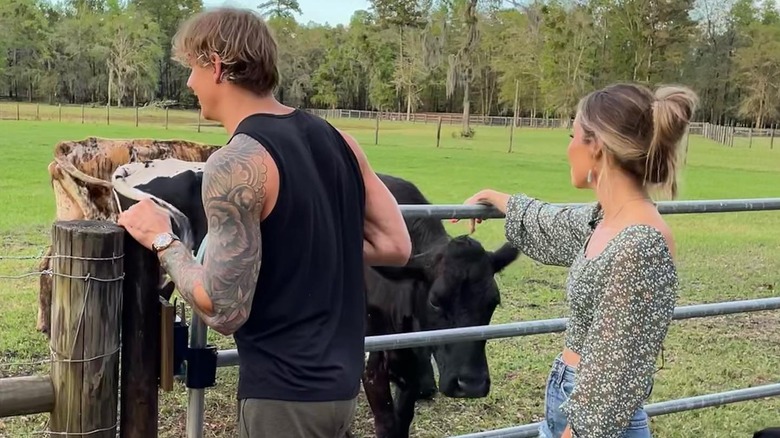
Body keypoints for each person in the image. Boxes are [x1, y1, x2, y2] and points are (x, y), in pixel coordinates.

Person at [117, 7, 412, 438]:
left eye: (192, 70)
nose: (189, 84)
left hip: (283, 399)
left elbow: (222, 308)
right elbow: (395, 244)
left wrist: (161, 237)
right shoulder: (340, 139)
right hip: (342, 391)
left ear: (216, 66)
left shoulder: (235, 163)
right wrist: (292, 242)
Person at [459, 83, 698, 438]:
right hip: (570, 399)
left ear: (596, 146)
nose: (568, 148)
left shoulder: (641, 244)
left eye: (572, 135)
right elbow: (554, 224)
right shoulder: (606, 219)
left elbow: (615, 377)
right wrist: (495, 197)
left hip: (592, 422)